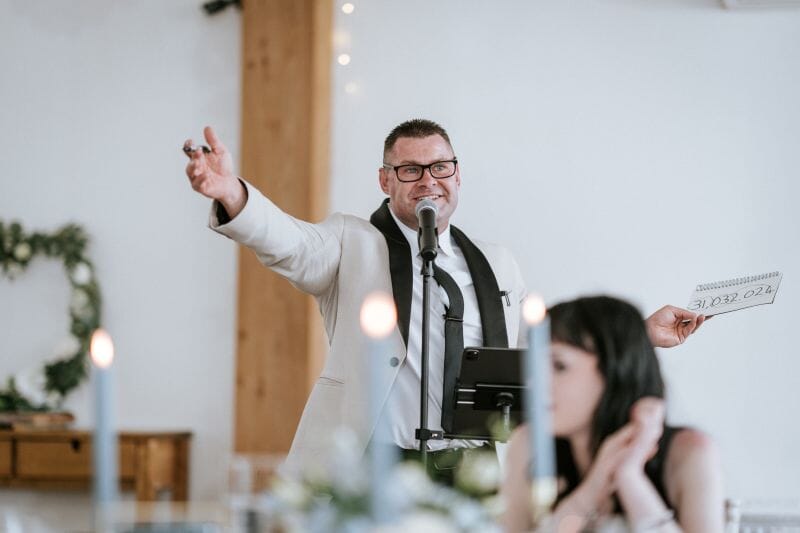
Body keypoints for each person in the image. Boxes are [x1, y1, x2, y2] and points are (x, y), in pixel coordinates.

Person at [183, 119, 706, 482]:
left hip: (476, 465)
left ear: (458, 176)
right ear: (386, 180)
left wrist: (639, 331)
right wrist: (232, 194)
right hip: (376, 463)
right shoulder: (351, 244)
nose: (426, 180)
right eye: (409, 170)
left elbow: (542, 346)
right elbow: (289, 243)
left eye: (439, 167)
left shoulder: (498, 262)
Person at [501, 296, 724, 532]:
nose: (535, 382)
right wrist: (593, 488)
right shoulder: (527, 445)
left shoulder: (689, 451)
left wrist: (629, 477)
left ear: (613, 371)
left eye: (558, 366)